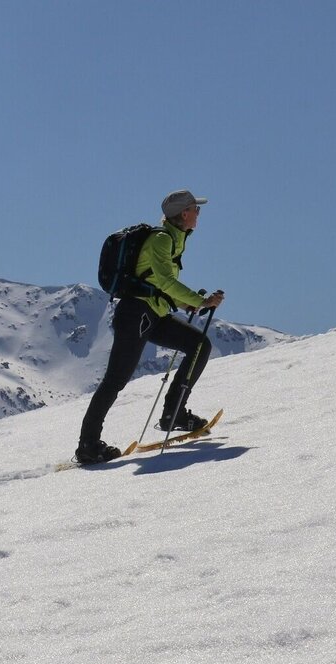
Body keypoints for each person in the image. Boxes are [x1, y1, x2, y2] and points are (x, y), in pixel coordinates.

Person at [75, 189, 225, 464]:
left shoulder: (173, 241)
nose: (199, 214)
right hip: (136, 315)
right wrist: (200, 301)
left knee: (199, 345)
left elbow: (157, 284)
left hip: (151, 314)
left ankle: (174, 415)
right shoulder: (161, 240)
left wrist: (184, 304)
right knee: (116, 380)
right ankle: (88, 445)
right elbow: (166, 282)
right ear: (184, 213)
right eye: (196, 209)